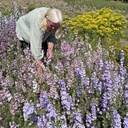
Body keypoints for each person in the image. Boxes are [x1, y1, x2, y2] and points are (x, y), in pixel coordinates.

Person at [16, 7, 63, 80]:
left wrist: (50, 51)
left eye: (56, 27)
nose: (54, 28)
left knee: (45, 56)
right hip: (25, 30)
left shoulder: (54, 20)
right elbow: (36, 51)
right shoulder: (38, 23)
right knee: (30, 59)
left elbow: (52, 35)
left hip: (42, 30)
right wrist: (40, 77)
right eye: (52, 26)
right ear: (46, 20)